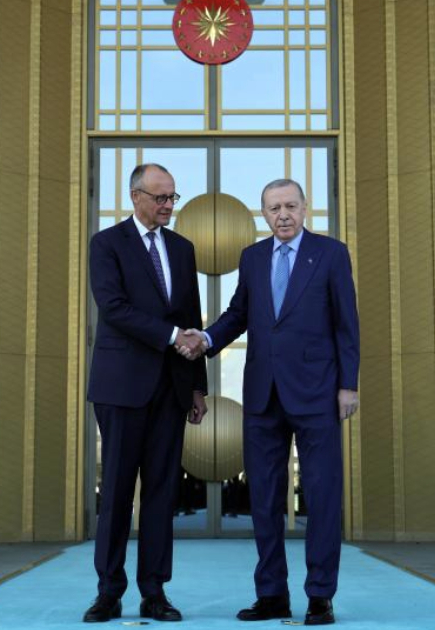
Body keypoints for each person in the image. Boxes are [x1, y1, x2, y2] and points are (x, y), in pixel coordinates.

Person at [181, 178, 358, 626]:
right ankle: (272, 595)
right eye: (274, 208)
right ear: (264, 214)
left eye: (290, 206)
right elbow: (239, 313)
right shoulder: (252, 257)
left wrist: (348, 386)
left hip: (318, 392)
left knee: (320, 495)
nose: (283, 214)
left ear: (304, 209)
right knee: (262, 498)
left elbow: (346, 325)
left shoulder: (331, 254)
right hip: (262, 393)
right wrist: (205, 338)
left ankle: (320, 595)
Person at [83, 164, 209, 623]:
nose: (167, 206)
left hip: (172, 389)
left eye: (173, 198)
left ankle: (154, 592)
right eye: (160, 198)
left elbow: (192, 313)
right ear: (135, 196)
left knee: (161, 492)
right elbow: (113, 309)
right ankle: (108, 591)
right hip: (120, 386)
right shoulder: (107, 244)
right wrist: (174, 335)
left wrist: (198, 385)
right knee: (116, 491)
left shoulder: (182, 248)